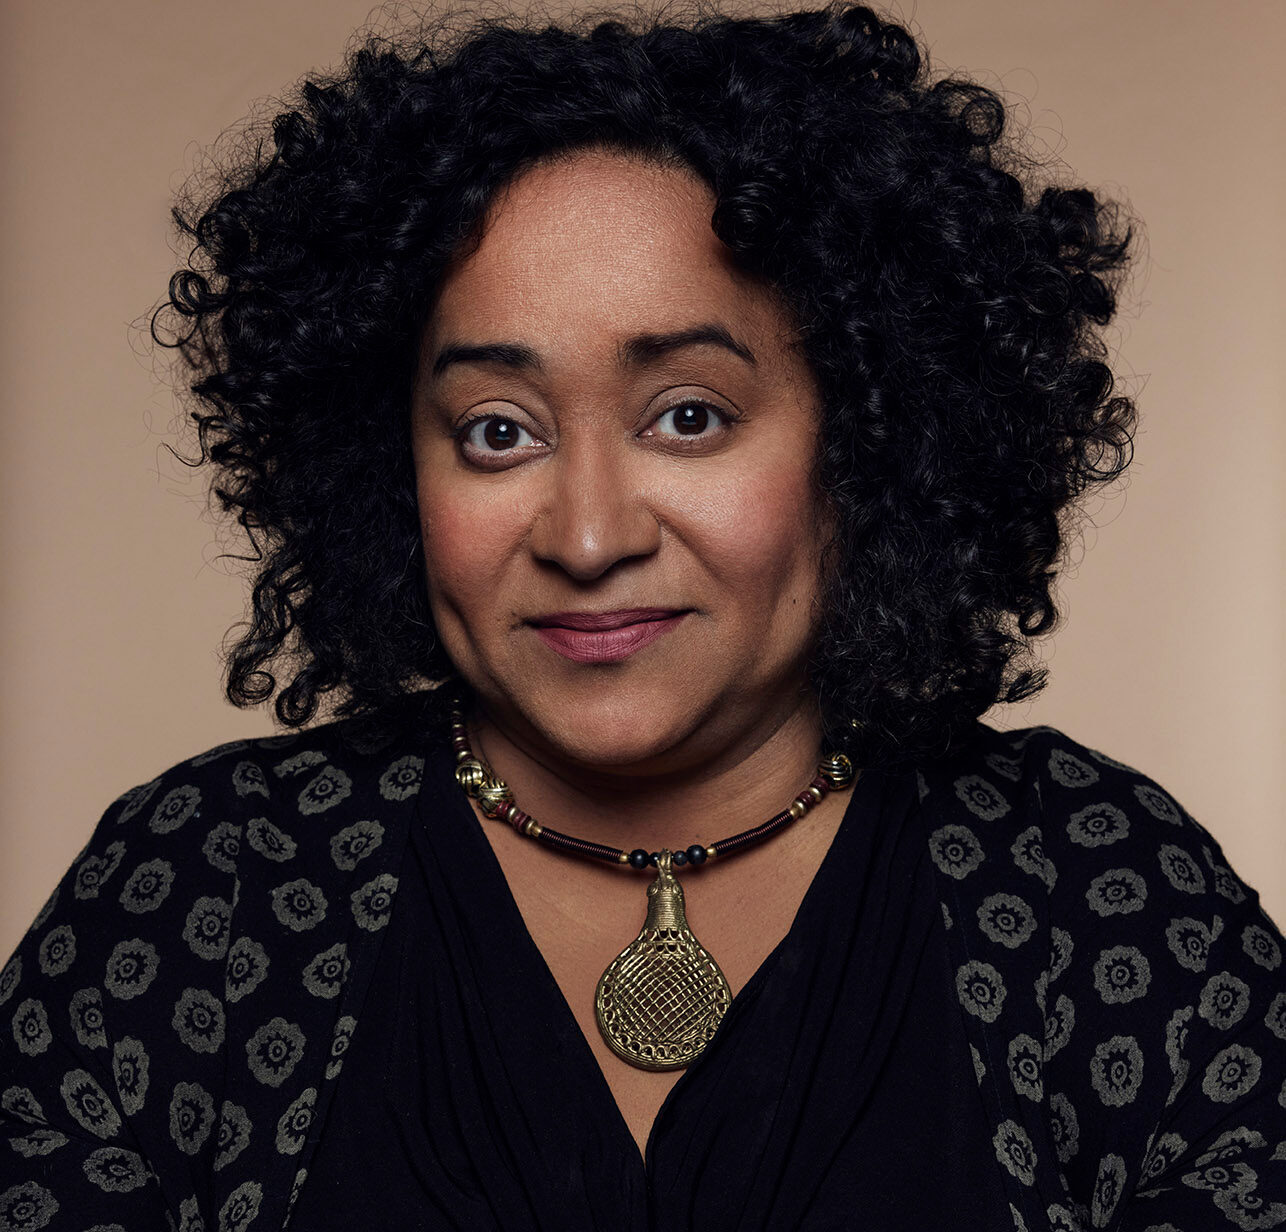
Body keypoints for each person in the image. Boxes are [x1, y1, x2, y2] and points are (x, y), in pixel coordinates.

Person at [1, 1, 1283, 1228]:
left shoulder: (1097, 892)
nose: (588, 533)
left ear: (870, 439)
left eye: (689, 414)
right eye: (497, 432)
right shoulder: (203, 892)